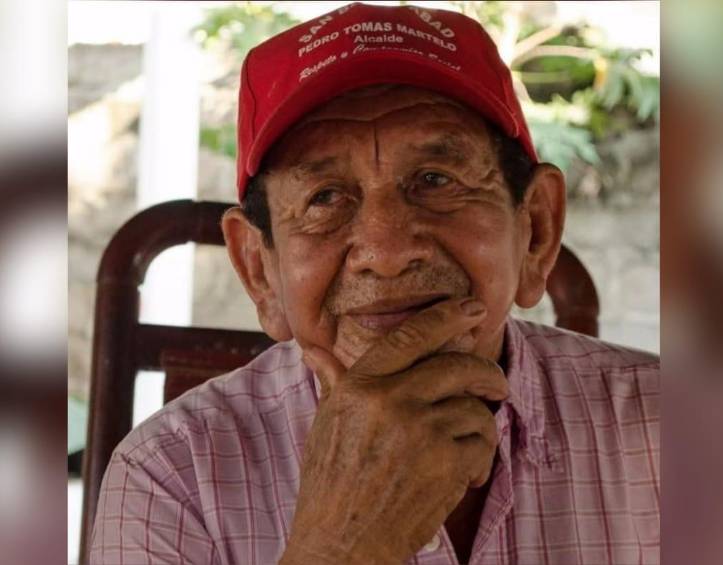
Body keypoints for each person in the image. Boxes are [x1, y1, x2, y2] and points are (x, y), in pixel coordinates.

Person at [90, 3, 659, 564]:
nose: (385, 254)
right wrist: (343, 547)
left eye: (436, 180)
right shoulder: (170, 477)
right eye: (325, 198)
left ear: (535, 229)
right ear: (259, 270)